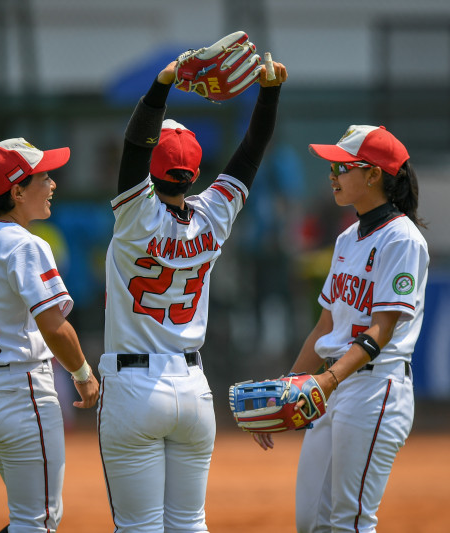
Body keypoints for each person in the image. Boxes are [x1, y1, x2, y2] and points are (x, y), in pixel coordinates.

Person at [97, 55, 288, 532]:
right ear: (194, 174)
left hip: (134, 385)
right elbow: (252, 150)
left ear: (152, 175)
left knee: (138, 527)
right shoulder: (214, 215)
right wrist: (268, 91)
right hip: (193, 388)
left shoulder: (136, 216)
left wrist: (162, 84)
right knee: (188, 524)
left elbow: (135, 144)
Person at [252, 125, 429, 533]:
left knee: (348, 521)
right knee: (310, 522)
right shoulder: (348, 237)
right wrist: (288, 387)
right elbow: (326, 327)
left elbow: (382, 330)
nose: (332, 175)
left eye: (342, 167)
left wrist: (327, 380)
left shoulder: (403, 240)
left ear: (373, 175)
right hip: (333, 386)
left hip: (374, 388)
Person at [0, 137, 99, 531]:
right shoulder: (24, 245)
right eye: (43, 177)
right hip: (21, 396)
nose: (52, 184)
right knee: (39, 523)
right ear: (17, 191)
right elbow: (54, 327)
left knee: (29, 520)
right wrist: (84, 375)